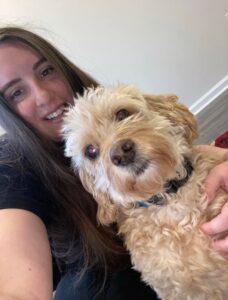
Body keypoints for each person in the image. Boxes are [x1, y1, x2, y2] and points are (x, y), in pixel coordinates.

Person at [0, 26, 227, 300]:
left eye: (46, 71)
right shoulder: (12, 170)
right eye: (16, 93)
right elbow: (18, 289)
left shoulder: (109, 97)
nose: (43, 96)